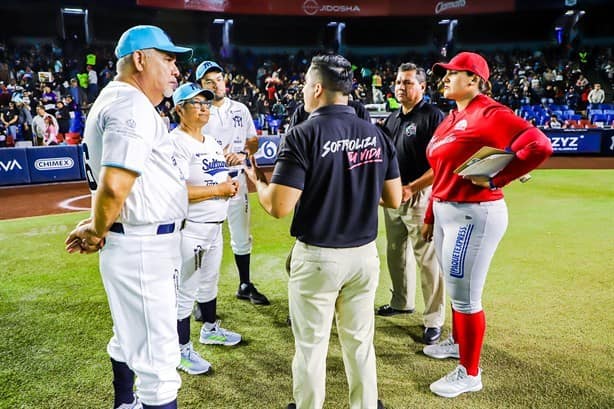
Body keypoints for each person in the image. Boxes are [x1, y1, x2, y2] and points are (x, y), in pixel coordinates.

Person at [245, 54, 401, 409]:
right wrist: (353, 184)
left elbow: (278, 206)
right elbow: (392, 198)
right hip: (364, 256)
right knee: (360, 342)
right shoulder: (376, 133)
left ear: (317, 88)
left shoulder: (303, 135)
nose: (302, 91)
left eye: (304, 85)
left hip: (318, 257)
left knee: (311, 346)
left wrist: (258, 181)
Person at [64, 25, 193, 409]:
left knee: (129, 336)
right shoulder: (130, 105)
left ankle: (124, 402)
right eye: (168, 59)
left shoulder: (124, 101)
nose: (176, 69)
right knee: (160, 366)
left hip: (141, 242)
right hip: (141, 245)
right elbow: (115, 184)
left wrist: (100, 227)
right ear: (140, 59)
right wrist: (97, 228)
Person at [421, 51, 552, 398]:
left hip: (474, 214)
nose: (444, 79)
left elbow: (538, 145)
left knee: (465, 297)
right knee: (453, 285)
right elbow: (441, 171)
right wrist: (430, 214)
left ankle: (470, 373)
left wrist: (499, 179)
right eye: (444, 74)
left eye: (453, 73)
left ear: (475, 80)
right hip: (447, 211)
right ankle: (457, 343)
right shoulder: (452, 117)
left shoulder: (490, 112)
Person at [170, 83, 242, 376]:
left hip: (215, 227)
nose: (203, 107)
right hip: (191, 228)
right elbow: (176, 191)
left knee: (209, 283)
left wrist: (230, 183)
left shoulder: (211, 143)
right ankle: (180, 351)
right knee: (185, 292)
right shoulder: (175, 143)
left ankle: (209, 329)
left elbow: (219, 181)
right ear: (179, 109)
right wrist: (220, 189)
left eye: (206, 103)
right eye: (195, 103)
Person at [376, 62, 446, 346]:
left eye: (407, 82)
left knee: (427, 259)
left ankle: (434, 319)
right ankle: (402, 301)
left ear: (422, 87)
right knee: (395, 252)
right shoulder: (393, 119)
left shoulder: (433, 116)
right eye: (398, 82)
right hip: (395, 196)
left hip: (420, 195)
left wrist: (412, 188)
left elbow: (441, 163)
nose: (400, 87)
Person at [195, 60, 270, 306]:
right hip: (210, 185)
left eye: (218, 79)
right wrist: (217, 155)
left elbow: (252, 140)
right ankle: (200, 297)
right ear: (201, 86)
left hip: (237, 181)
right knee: (205, 239)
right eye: (209, 81)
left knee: (241, 236)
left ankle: (245, 284)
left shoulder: (240, 109)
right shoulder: (198, 111)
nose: (216, 84)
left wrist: (245, 155)